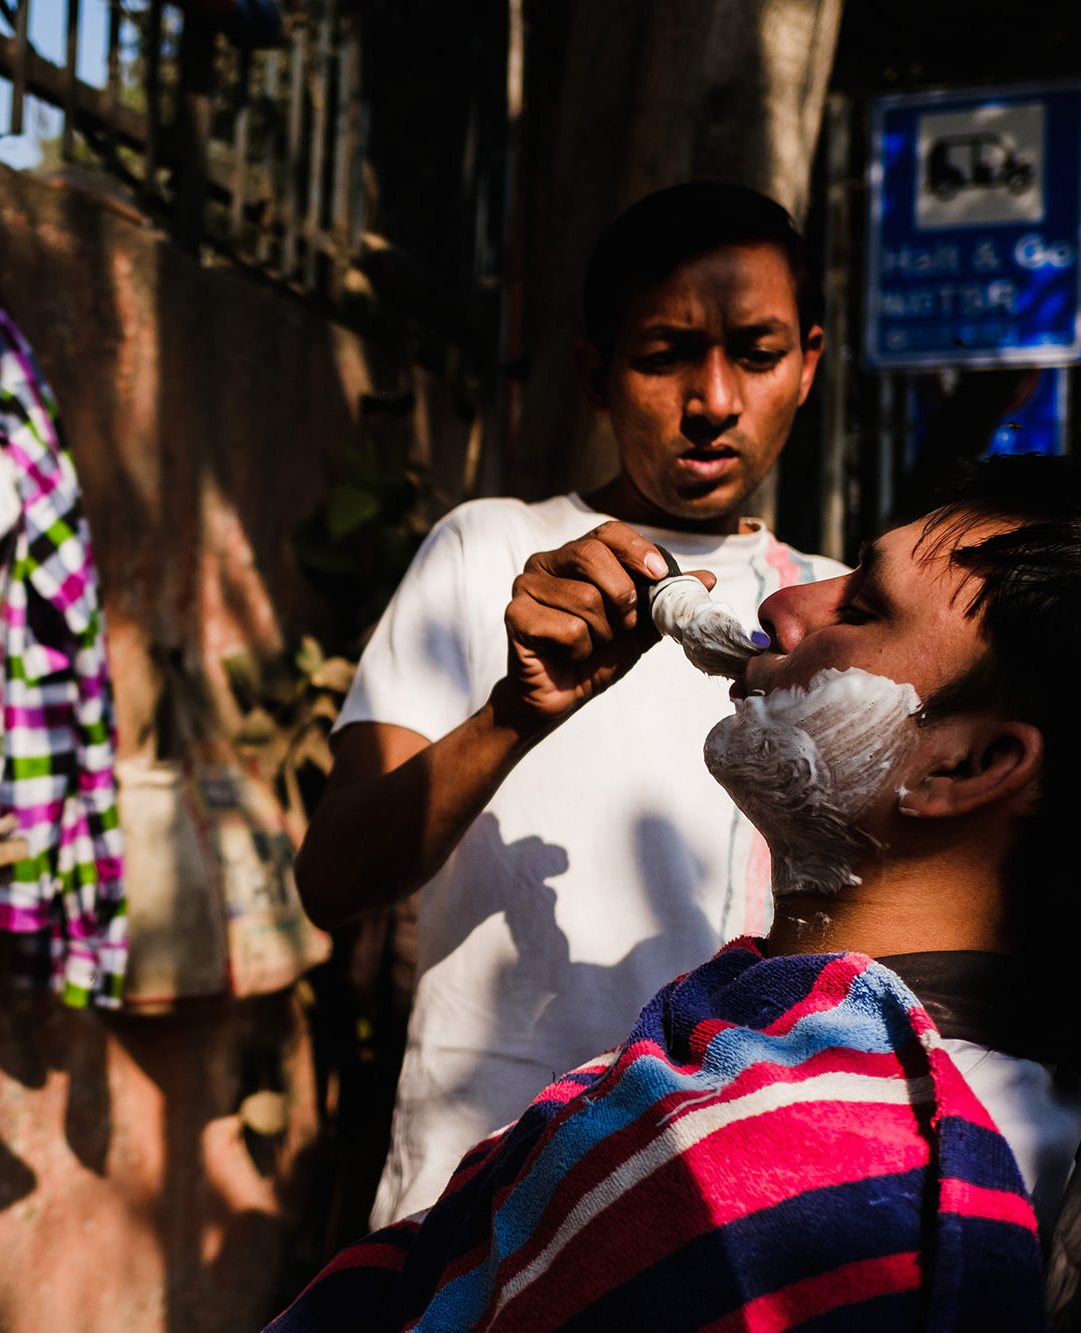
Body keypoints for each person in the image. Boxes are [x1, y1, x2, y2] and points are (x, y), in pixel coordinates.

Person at [269, 455, 1081, 1330]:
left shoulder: (829, 1191)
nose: (780, 606)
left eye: (857, 608)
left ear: (969, 764)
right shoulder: (759, 1073)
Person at [296, 181, 845, 1225]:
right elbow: (332, 876)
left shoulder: (822, 611)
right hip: (476, 1203)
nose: (713, 399)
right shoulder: (486, 553)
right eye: (663, 354)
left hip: (720, 1209)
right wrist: (515, 712)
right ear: (595, 373)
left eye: (757, 354)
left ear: (808, 363)